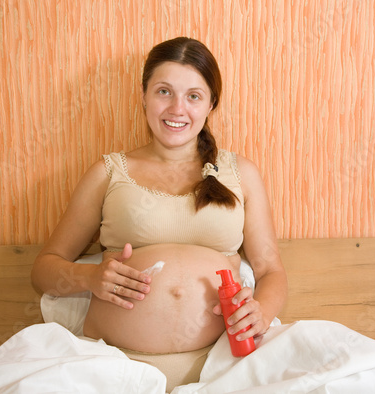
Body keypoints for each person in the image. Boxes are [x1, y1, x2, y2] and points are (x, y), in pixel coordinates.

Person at [31, 36, 287, 392]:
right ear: (143, 95)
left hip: (226, 365)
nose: (177, 109)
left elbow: (271, 271)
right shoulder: (108, 173)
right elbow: (44, 269)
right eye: (164, 91)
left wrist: (261, 311)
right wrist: (87, 279)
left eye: (193, 96)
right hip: (113, 367)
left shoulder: (240, 173)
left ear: (211, 103)